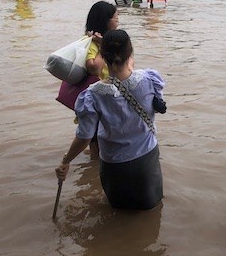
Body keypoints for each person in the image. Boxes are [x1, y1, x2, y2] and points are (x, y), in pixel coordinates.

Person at [55, 29, 166, 210]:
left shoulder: (93, 94)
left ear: (104, 58)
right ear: (130, 54)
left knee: (118, 211)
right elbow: (155, 104)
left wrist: (66, 161)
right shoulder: (149, 80)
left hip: (114, 165)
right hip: (146, 160)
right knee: (151, 209)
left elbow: (84, 137)